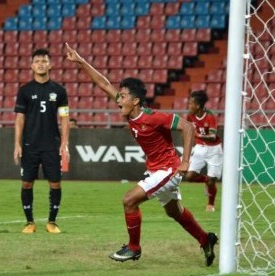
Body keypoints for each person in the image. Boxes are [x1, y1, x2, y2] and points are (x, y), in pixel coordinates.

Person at [65, 43, 217, 266]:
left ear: (135, 101)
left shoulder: (153, 117)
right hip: (156, 168)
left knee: (129, 200)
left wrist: (185, 162)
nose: (118, 100)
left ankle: (134, 248)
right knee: (174, 212)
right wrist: (80, 61)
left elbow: (188, 127)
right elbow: (103, 83)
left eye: (123, 96)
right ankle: (206, 239)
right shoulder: (129, 112)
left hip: (169, 168)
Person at [14, 48, 70, 234]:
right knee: (26, 183)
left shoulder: (59, 91)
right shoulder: (25, 91)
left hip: (51, 145)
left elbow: (64, 118)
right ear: (31, 66)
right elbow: (20, 119)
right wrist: (17, 144)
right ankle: (29, 222)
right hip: (30, 145)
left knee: (55, 183)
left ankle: (52, 222)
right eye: (37, 61)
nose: (40, 64)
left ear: (50, 65)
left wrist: (64, 143)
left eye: (44, 61)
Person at [184, 90, 223, 212]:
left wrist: (197, 135)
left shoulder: (210, 116)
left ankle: (210, 204)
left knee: (213, 181)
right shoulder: (190, 116)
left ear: (198, 106)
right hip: (200, 148)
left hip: (214, 150)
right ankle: (207, 181)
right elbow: (187, 131)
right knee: (189, 176)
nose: (188, 106)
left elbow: (212, 136)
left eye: (191, 103)